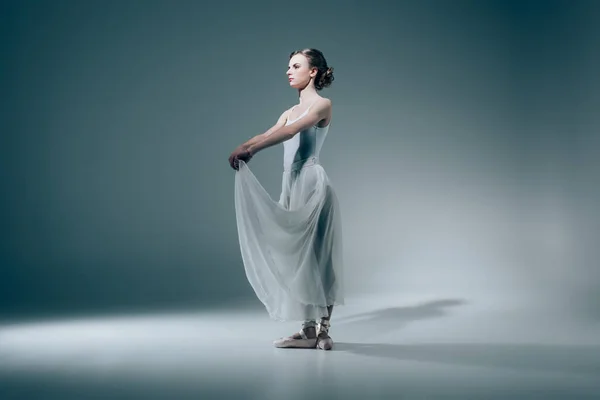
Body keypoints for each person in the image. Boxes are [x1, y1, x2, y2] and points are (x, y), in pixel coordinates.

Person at [228, 48, 343, 350]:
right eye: (288, 66)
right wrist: (244, 144)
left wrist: (251, 151)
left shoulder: (322, 105)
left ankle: (324, 330)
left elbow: (292, 131)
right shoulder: (288, 110)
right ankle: (306, 331)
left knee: (320, 255)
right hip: (291, 184)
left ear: (313, 71)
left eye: (296, 66)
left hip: (311, 183)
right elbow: (273, 131)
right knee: (294, 259)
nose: (289, 71)